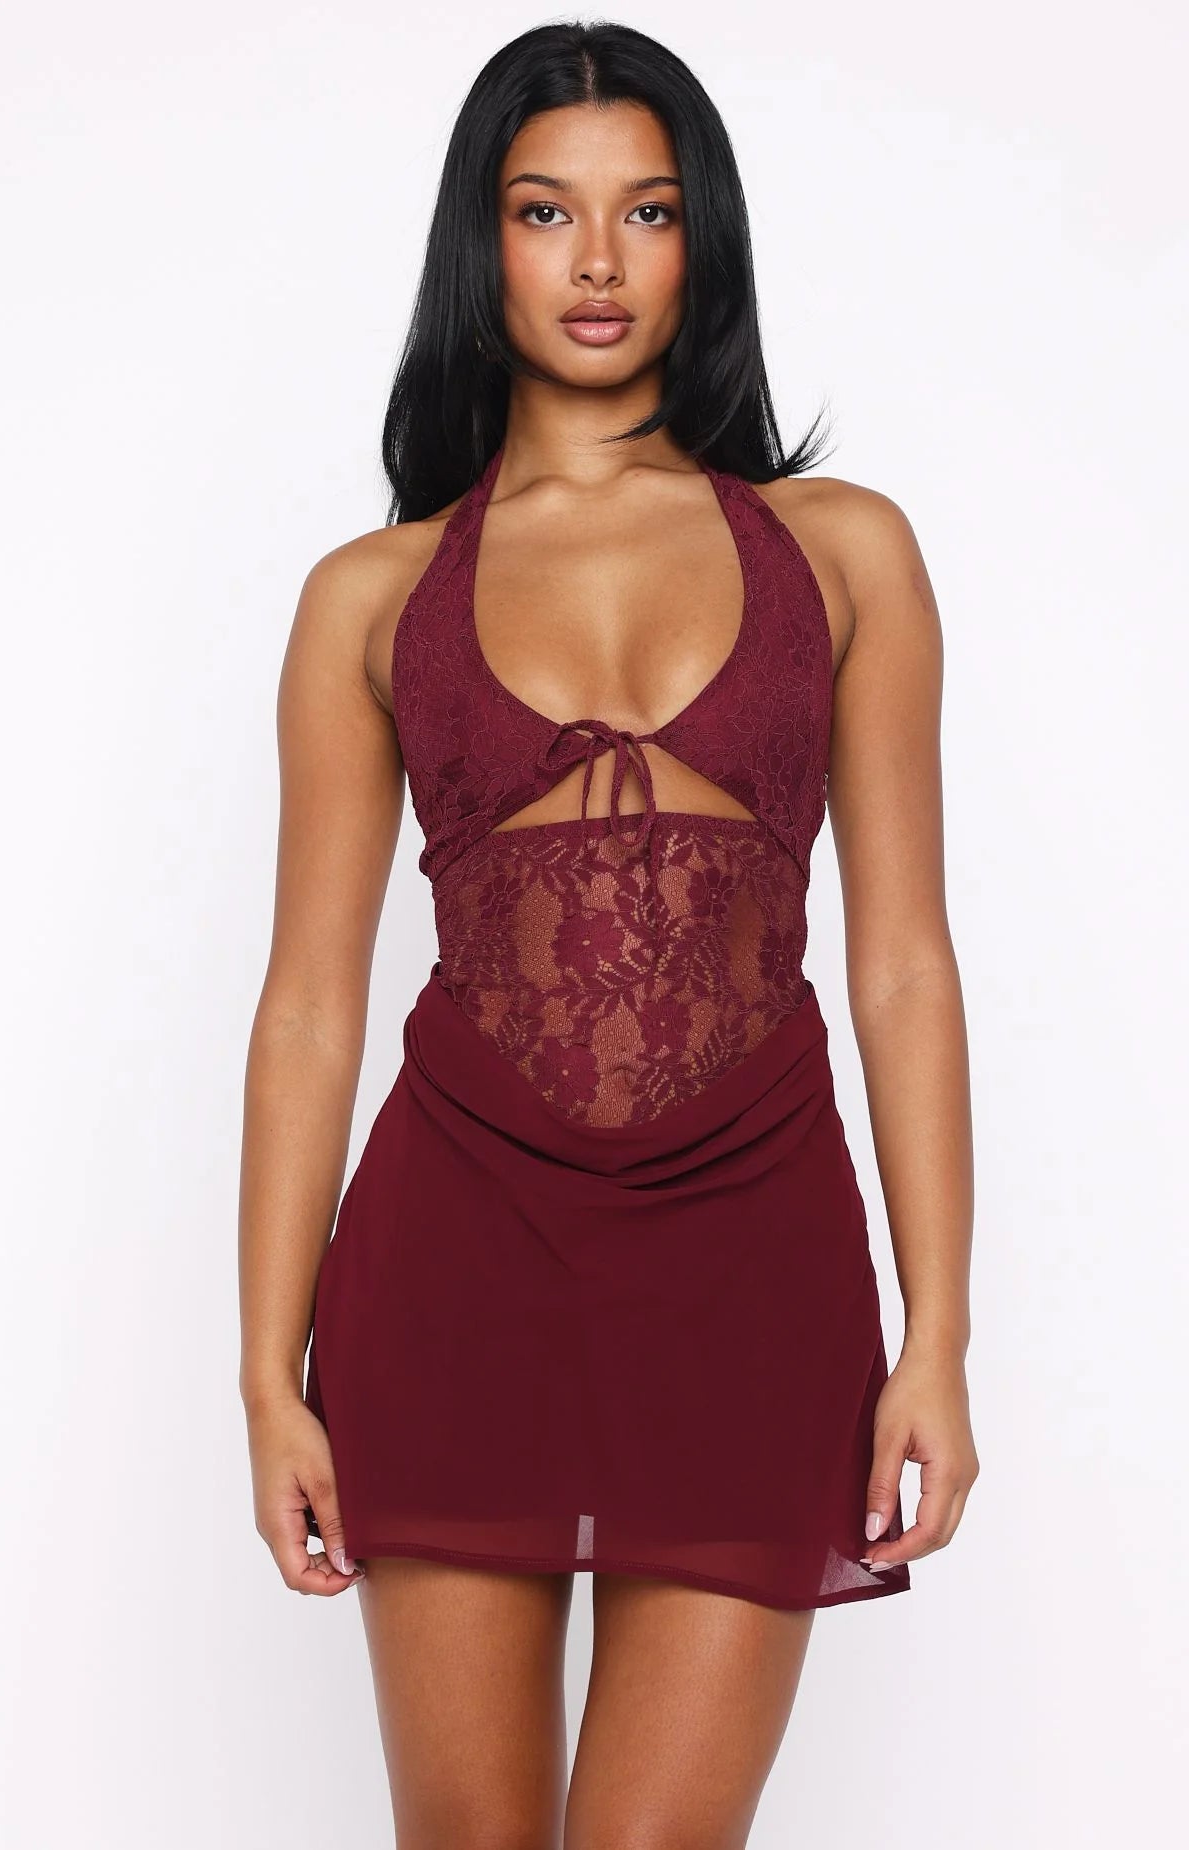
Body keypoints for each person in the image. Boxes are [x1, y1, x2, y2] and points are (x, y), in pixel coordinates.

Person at [239, 19, 978, 1846]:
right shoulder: (371, 595)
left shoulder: (844, 551)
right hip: (455, 1259)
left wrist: (940, 1331)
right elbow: (310, 1003)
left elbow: (903, 961)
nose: (594, 260)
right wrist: (265, 1371)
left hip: (753, 1258)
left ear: (701, 240)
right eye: (543, 211)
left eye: (646, 212)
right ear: (479, 244)